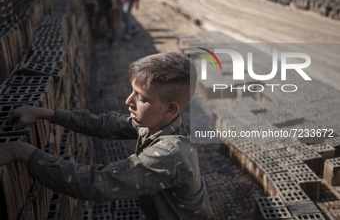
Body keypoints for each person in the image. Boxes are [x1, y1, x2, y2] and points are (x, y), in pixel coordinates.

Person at [1, 52, 215, 220]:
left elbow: (97, 183)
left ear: (170, 109)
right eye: (132, 91)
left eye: (141, 98)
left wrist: (24, 152)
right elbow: (105, 124)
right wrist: (47, 113)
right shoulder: (158, 123)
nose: (128, 101)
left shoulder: (170, 153)